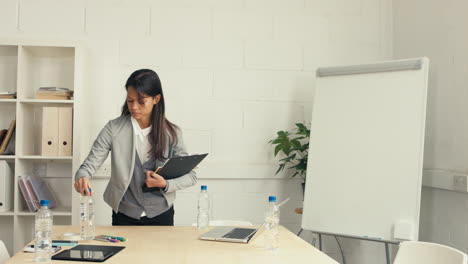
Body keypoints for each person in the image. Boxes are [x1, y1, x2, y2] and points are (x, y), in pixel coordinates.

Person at [74, 69, 197, 226]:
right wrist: (82, 177)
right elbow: (89, 164)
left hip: (162, 214)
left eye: (141, 101)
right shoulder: (113, 128)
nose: (134, 107)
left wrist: (165, 184)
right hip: (124, 215)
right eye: (130, 101)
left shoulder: (172, 133)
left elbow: (191, 176)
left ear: (156, 99)